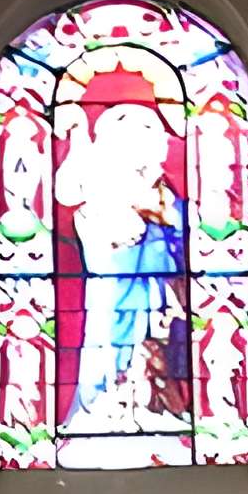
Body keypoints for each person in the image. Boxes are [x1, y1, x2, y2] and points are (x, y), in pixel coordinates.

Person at [53, 64, 187, 440]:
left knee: (154, 336)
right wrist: (77, 133)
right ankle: (102, 404)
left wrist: (156, 217)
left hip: (152, 285)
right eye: (135, 136)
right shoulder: (97, 179)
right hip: (114, 280)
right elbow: (73, 199)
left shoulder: (158, 187)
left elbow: (175, 222)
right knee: (109, 334)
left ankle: (151, 404)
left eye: (150, 136)